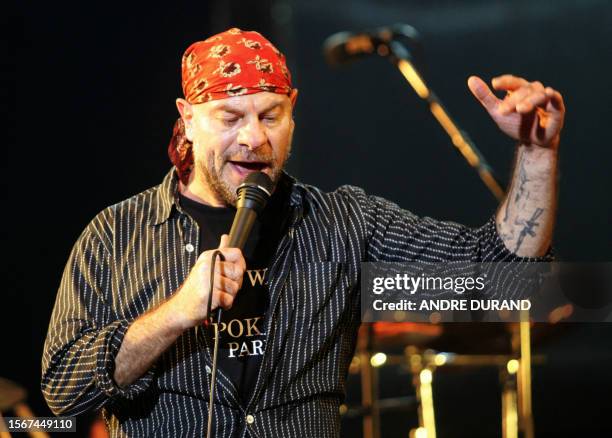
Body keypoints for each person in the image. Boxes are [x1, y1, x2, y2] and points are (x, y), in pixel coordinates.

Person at [41, 28, 564, 437]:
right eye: (229, 118)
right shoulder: (115, 234)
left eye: (271, 116)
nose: (253, 138)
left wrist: (537, 154)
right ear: (187, 118)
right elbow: (62, 388)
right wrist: (177, 313)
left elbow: (502, 277)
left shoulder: (344, 222)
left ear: (294, 111)